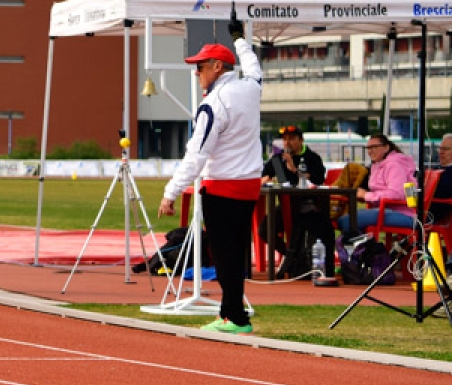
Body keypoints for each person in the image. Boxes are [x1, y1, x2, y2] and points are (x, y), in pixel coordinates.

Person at [159, 18, 263, 334]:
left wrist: (171, 191)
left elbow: (197, 153)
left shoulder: (213, 103)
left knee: (225, 256)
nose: (196, 73)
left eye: (201, 66)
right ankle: (230, 312)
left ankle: (235, 316)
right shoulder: (250, 88)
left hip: (223, 186)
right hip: (249, 186)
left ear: (217, 67)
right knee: (235, 253)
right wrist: (240, 41)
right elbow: (254, 67)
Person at [263, 124, 335, 283]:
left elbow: (317, 180)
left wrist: (293, 168)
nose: (288, 143)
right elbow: (264, 176)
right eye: (285, 139)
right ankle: (293, 256)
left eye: (292, 139)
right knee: (265, 229)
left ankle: (310, 263)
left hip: (308, 206)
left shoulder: (312, 158)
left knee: (322, 228)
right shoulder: (277, 159)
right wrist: (266, 179)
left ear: (301, 140)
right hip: (286, 206)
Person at [344, 132, 418, 237]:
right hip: (387, 210)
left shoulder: (395, 164)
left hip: (404, 213)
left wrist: (367, 195)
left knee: (347, 221)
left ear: (386, 147)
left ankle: (363, 250)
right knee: (347, 220)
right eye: (368, 148)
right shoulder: (378, 165)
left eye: (374, 147)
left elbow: (397, 194)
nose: (370, 151)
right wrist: (364, 197)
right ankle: (364, 249)